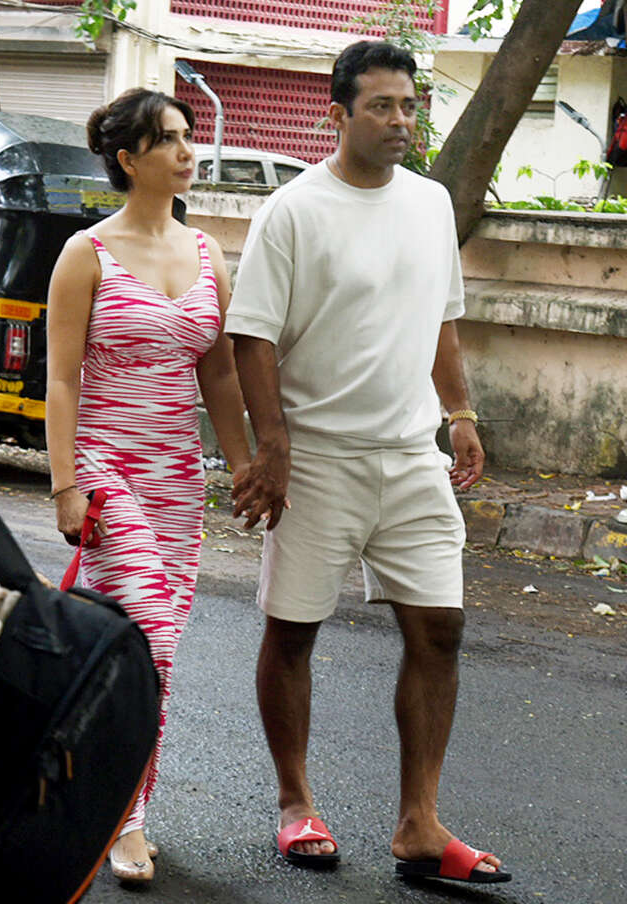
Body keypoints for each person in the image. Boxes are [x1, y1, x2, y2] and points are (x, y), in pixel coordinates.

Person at [226, 41, 512, 885]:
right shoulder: (295, 210)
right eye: (382, 106)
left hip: (410, 454)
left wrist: (458, 413)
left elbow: (441, 319)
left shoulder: (430, 204)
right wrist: (271, 449)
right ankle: (294, 801)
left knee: (441, 626)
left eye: (410, 105)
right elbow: (252, 337)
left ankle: (419, 824)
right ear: (338, 115)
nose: (400, 120)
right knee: (294, 629)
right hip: (316, 460)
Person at [45, 88, 251, 885]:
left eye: (189, 135)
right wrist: (66, 485)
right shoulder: (85, 253)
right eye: (168, 139)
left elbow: (222, 371)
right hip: (104, 465)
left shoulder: (206, 254)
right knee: (151, 636)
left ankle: (123, 799)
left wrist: (242, 466)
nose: (187, 149)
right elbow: (62, 380)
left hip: (175, 476)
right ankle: (123, 821)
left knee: (153, 654)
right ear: (129, 160)